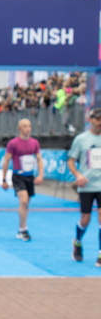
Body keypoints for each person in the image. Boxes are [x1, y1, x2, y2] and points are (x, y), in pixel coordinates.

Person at [67, 107, 101, 266]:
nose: (100, 123)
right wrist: (78, 175)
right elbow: (71, 161)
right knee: (85, 220)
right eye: (97, 119)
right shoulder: (81, 139)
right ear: (90, 120)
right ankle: (78, 242)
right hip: (86, 185)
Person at [1, 119, 44, 241]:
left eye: (29, 126)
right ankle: (23, 228)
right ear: (20, 128)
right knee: (24, 201)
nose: (28, 128)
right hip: (18, 176)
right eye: (25, 126)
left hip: (29, 176)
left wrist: (40, 175)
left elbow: (39, 159)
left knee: (26, 204)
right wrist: (4, 179)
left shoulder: (34, 143)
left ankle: (21, 227)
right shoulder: (13, 143)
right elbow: (7, 161)